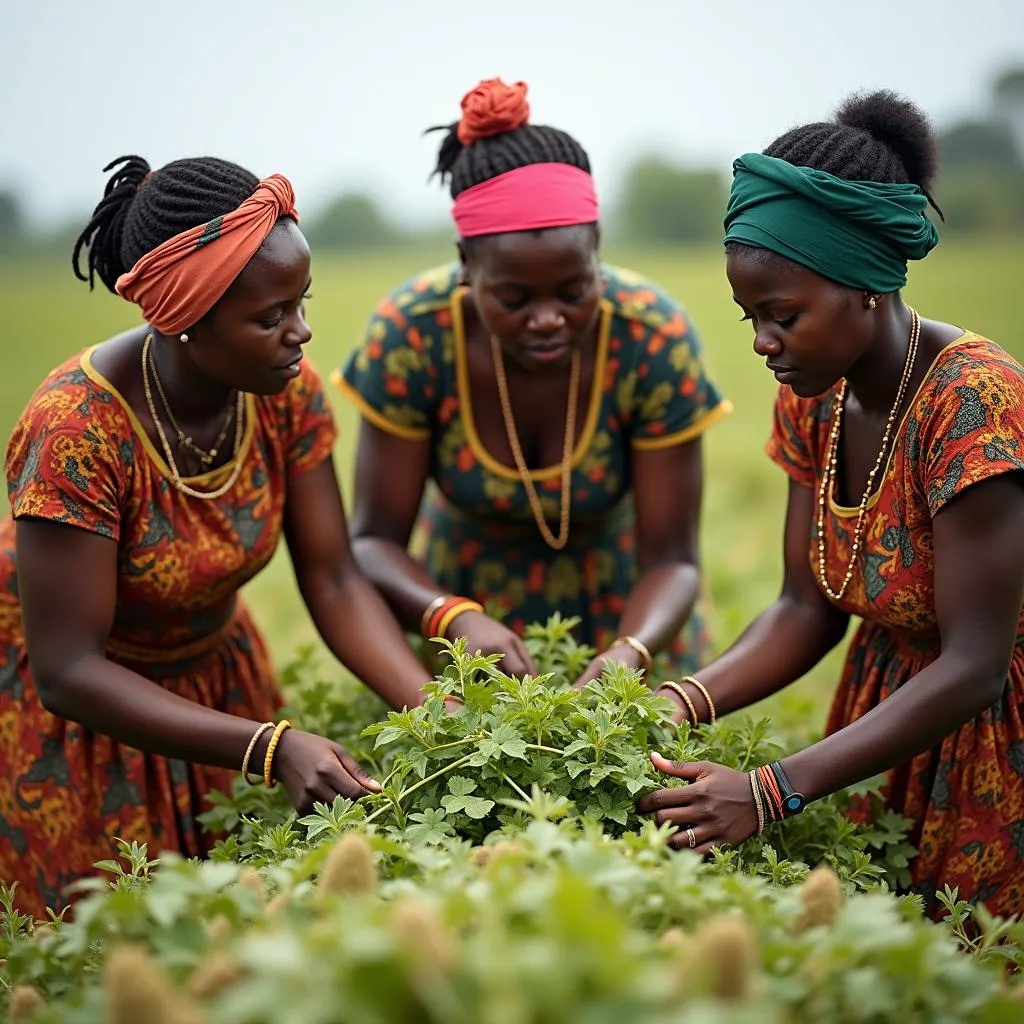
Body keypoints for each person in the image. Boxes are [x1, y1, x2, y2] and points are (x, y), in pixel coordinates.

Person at [0, 155, 433, 917]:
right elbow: (67, 669)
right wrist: (266, 747)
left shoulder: (279, 394)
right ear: (185, 319)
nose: (300, 333)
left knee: (239, 924)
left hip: (220, 688)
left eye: (301, 302)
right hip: (90, 718)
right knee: (112, 943)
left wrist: (434, 711)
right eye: (271, 317)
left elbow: (333, 579)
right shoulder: (77, 431)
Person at [637, 91, 1024, 920]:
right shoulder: (815, 395)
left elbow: (976, 666)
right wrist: (679, 701)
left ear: (866, 288)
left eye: (783, 316)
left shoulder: (974, 401)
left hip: (992, 737)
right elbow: (803, 606)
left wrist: (773, 789)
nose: (762, 344)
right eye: (752, 317)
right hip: (884, 720)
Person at [334, 79, 731, 686]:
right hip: (465, 636)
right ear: (467, 264)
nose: (548, 320)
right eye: (514, 298)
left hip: (632, 626)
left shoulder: (651, 337)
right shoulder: (413, 335)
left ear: (596, 252)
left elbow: (673, 559)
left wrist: (631, 652)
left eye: (574, 292)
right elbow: (371, 541)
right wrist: (452, 617)